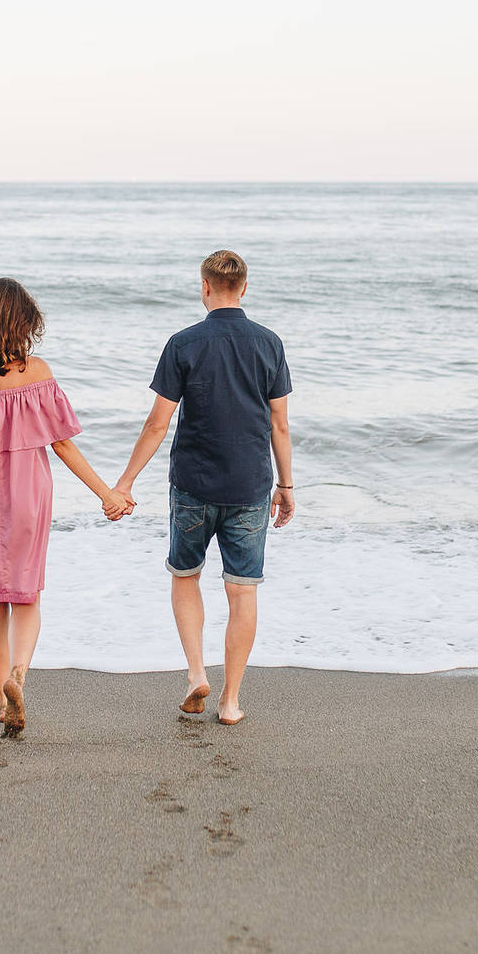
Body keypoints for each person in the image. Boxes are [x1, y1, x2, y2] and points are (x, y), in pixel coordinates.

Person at [0, 277, 128, 735]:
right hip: (28, 490)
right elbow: (64, 447)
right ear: (24, 323)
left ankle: (1, 696)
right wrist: (107, 495)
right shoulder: (36, 373)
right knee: (26, 591)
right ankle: (20, 673)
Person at [114, 250, 293, 725]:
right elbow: (280, 424)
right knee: (243, 592)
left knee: (185, 576)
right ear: (245, 288)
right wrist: (287, 484)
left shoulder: (184, 343)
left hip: (193, 483)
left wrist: (125, 481)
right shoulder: (269, 344)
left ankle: (197, 673)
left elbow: (157, 423)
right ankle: (231, 701)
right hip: (250, 485)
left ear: (205, 287)